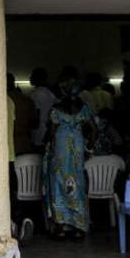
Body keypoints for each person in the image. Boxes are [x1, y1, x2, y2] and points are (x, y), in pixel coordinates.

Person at [42, 79, 96, 241]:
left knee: (58, 184)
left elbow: (51, 133)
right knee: (77, 185)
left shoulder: (56, 109)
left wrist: (48, 149)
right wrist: (89, 148)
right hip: (77, 147)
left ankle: (60, 228)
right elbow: (93, 129)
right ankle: (79, 227)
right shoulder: (83, 109)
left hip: (60, 148)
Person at [7, 73, 35, 244]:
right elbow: (33, 123)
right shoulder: (14, 102)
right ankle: (24, 218)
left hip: (4, 155)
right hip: (21, 149)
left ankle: (14, 226)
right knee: (18, 192)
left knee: (8, 194)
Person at [29, 67, 57, 150]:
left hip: (38, 134)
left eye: (32, 76)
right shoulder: (51, 94)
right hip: (49, 133)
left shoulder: (34, 94)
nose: (30, 78)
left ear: (38, 78)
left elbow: (36, 116)